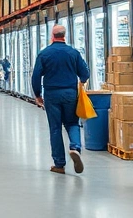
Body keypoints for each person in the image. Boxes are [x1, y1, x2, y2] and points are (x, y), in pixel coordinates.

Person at [32, 24, 90, 175]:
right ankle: (75, 148)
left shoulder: (44, 54)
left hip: (52, 94)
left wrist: (38, 95)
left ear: (52, 36)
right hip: (70, 93)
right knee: (72, 123)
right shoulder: (73, 53)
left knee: (55, 128)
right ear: (65, 36)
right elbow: (85, 73)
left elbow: (36, 76)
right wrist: (81, 82)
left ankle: (59, 164)